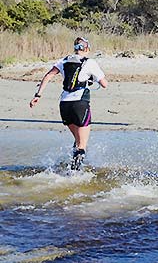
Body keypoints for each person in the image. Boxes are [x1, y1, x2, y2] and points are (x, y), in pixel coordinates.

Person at [29, 37, 108, 170]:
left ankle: (73, 168)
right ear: (87, 49)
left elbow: (48, 76)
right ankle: (75, 176)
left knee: (77, 140)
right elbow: (104, 84)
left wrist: (38, 95)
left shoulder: (64, 60)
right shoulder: (90, 62)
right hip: (80, 103)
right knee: (82, 144)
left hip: (64, 104)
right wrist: (91, 79)